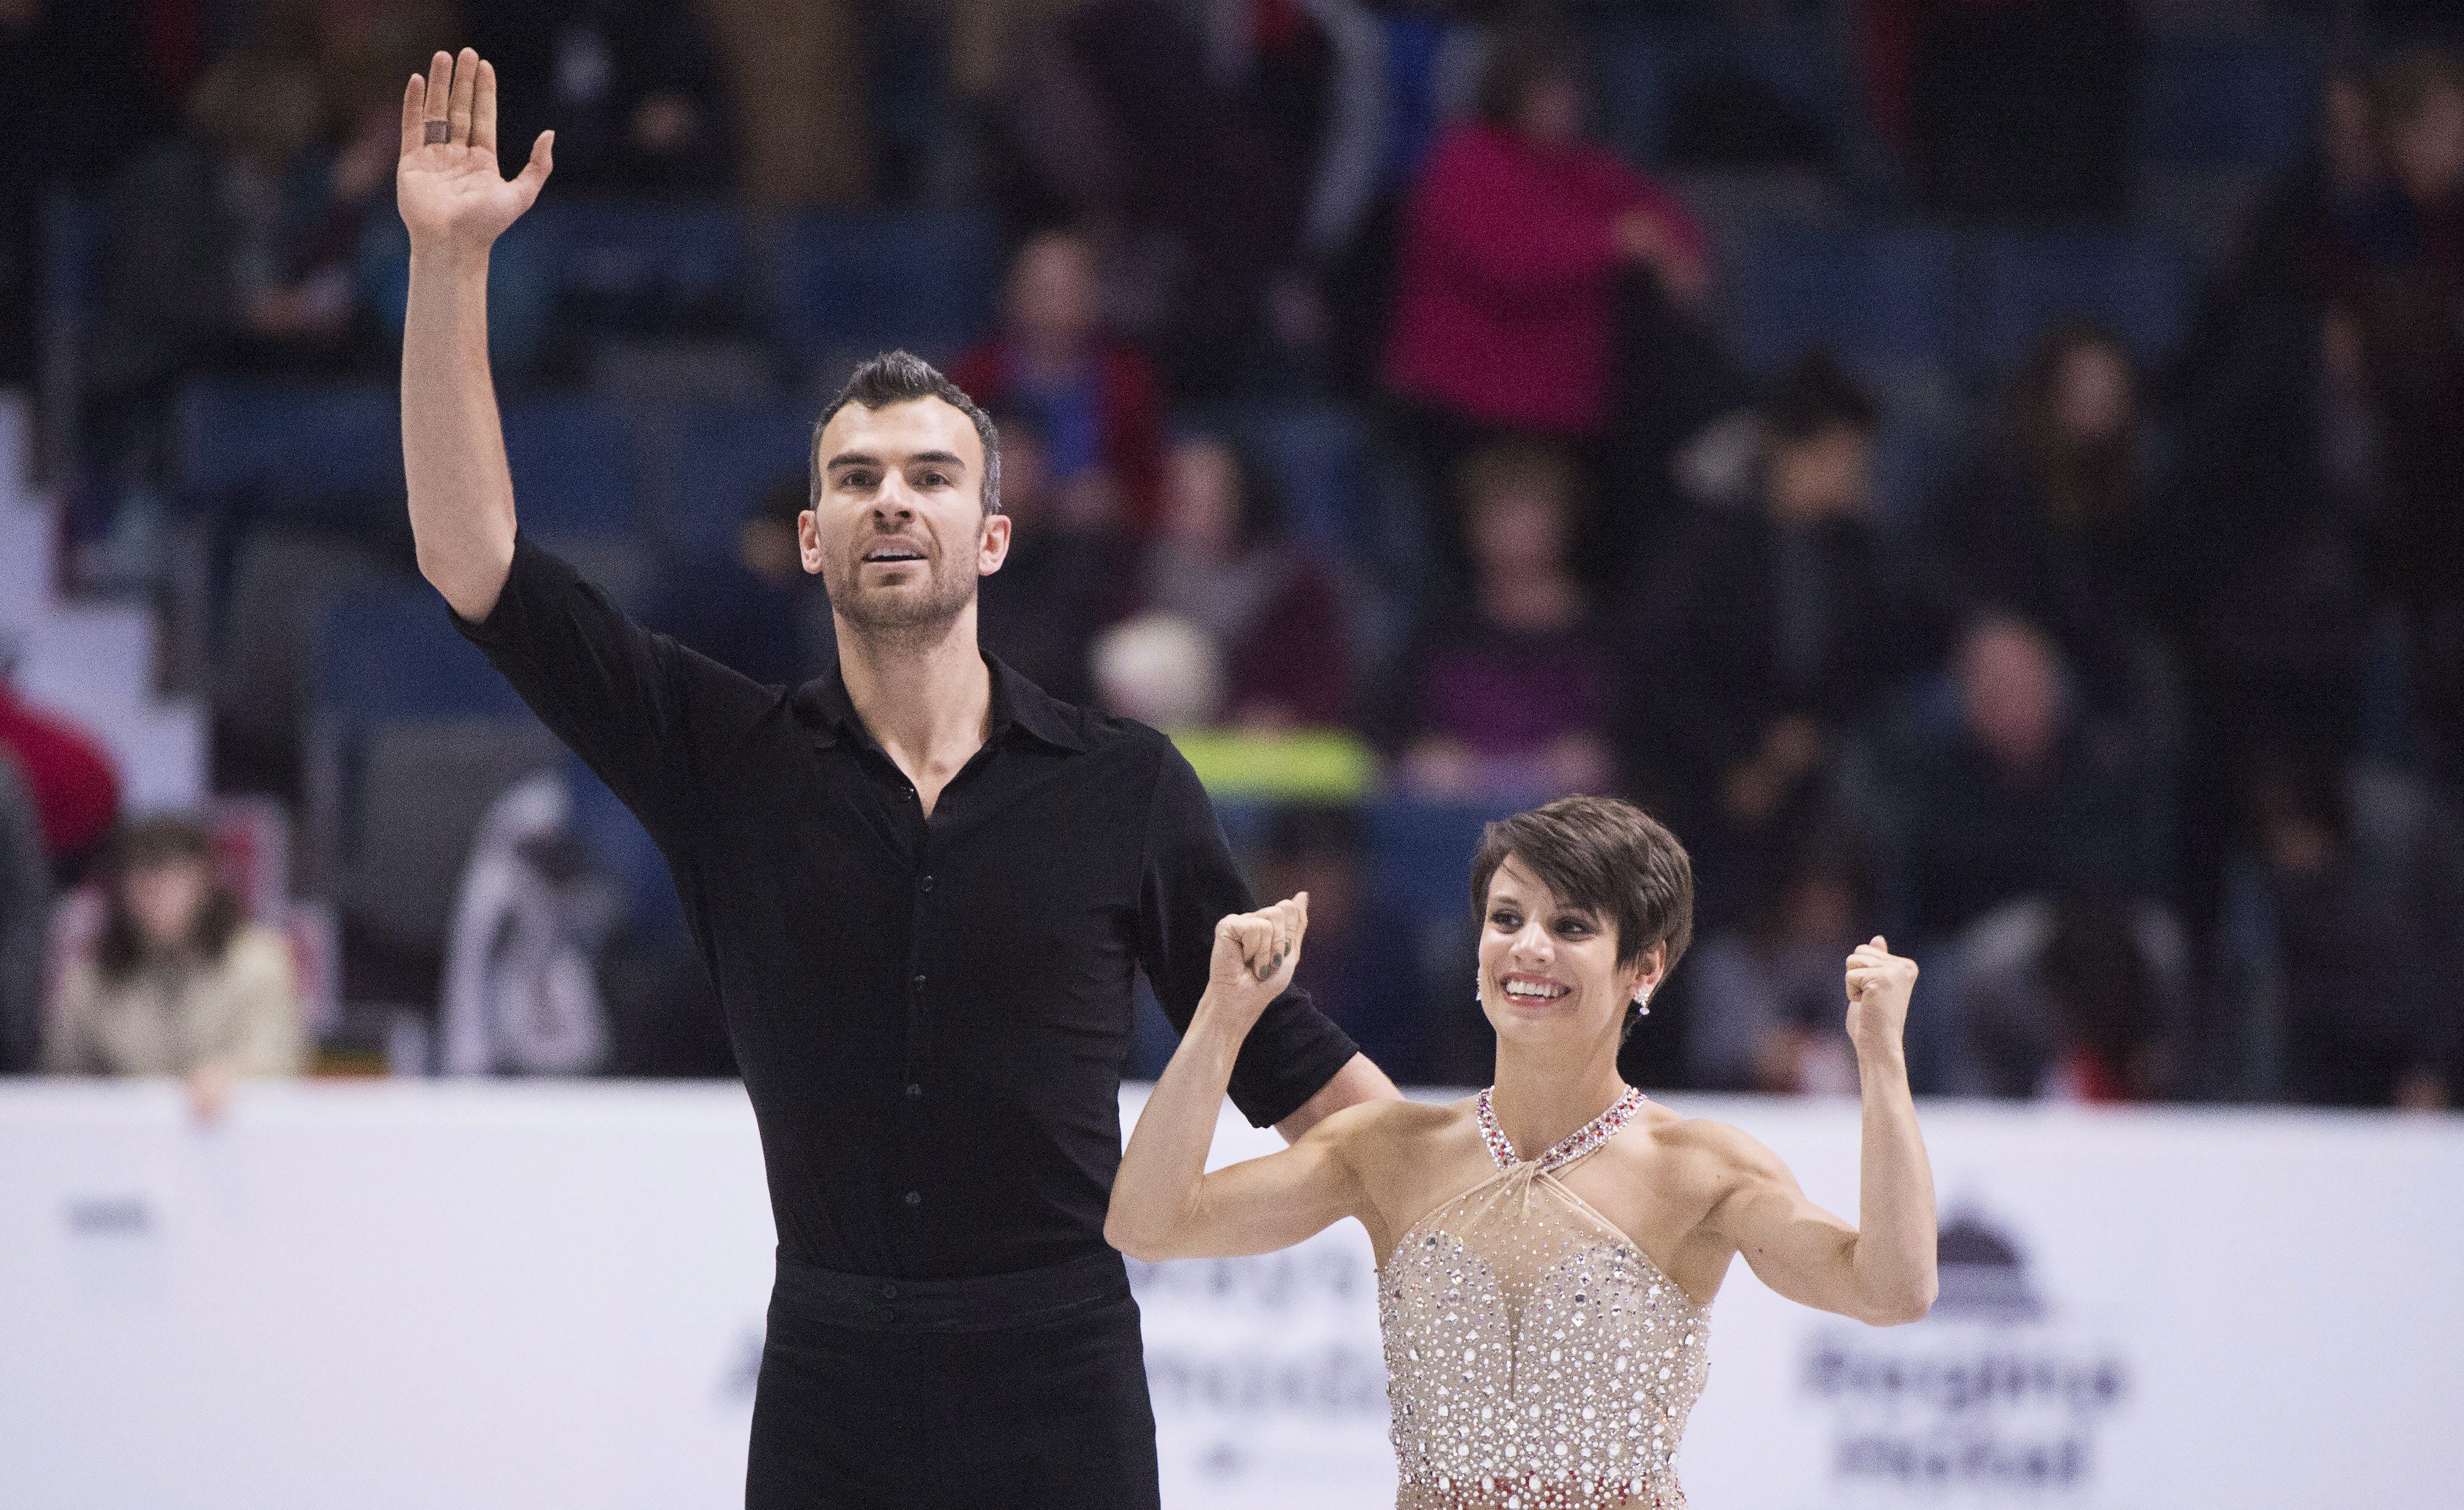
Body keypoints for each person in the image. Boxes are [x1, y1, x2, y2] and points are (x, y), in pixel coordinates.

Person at [392, 50, 1395, 1508]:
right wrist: (447, 266)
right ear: (811, 539)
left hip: (1062, 1375)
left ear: (992, 535)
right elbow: (470, 564)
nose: (891, 501)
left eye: (931, 474)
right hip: (829, 1377)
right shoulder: (722, 754)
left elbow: (1299, 1074)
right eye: (854, 478)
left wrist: (1503, 1176)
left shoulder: (1120, 785)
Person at [1110, 795, 1937, 1509]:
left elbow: (1891, 1290)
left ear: (1643, 965)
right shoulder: (1392, 1151)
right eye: (1507, 919)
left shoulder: (1699, 1170)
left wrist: (1881, 1060)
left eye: (1569, 925)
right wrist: (1224, 1016)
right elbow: (1149, 1224)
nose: (1527, 947)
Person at [41, 816, 302, 1120]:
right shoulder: (90, 977)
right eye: (142, 877)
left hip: (233, 1143)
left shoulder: (258, 962)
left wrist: (234, 1079)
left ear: (207, 883)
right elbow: (60, 1086)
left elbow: (277, 1061)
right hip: (124, 1147)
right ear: (120, 887)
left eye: (175, 876)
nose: (157, 893)